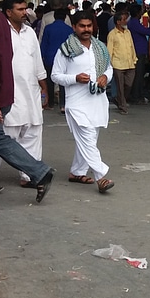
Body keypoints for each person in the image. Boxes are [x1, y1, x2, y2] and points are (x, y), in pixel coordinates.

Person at [0, 9, 55, 202]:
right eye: (19, 9)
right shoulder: (0, 24)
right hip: (6, 92)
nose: (24, 13)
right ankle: (38, 172)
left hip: (1, 93)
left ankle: (37, 172)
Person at [52, 10, 114, 193]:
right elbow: (55, 76)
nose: (86, 29)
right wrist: (75, 78)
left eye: (89, 26)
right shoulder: (66, 49)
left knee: (89, 139)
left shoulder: (100, 47)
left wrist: (105, 77)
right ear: (74, 27)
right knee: (87, 138)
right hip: (76, 103)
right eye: (82, 26)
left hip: (97, 101)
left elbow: (109, 68)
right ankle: (100, 177)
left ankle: (77, 172)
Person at [40, 7, 73, 113]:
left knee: (50, 81)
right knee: (63, 81)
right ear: (65, 18)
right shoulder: (69, 29)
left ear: (54, 17)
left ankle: (50, 103)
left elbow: (43, 44)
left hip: (50, 57)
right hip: (65, 58)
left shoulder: (48, 28)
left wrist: (41, 57)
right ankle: (63, 104)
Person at [107, 11, 137, 114]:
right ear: (118, 22)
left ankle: (119, 99)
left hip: (130, 63)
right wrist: (109, 64)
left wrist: (134, 58)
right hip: (117, 63)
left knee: (128, 84)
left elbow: (131, 46)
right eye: (124, 19)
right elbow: (109, 50)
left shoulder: (128, 32)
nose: (126, 21)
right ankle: (123, 106)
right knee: (120, 86)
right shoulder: (112, 34)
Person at [126, 6, 150, 105]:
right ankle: (136, 95)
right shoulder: (135, 23)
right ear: (137, 13)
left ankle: (135, 94)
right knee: (138, 74)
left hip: (137, 50)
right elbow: (148, 31)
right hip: (139, 51)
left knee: (138, 74)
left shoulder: (132, 22)